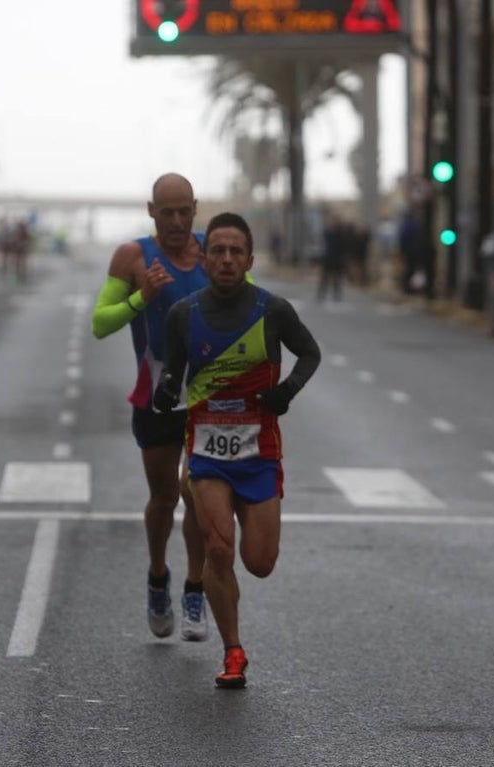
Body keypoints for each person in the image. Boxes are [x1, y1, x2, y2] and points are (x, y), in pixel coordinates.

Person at [154, 211, 321, 689]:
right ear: (205, 260)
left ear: (249, 259)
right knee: (219, 548)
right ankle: (233, 651)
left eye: (235, 252)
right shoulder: (183, 314)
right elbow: (172, 372)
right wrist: (166, 392)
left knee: (260, 562)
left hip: (259, 453)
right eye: (218, 252)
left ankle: (226, 605)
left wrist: (286, 391)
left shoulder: (273, 311)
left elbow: (310, 353)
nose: (226, 260)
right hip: (206, 453)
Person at [90, 172, 209, 642]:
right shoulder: (134, 256)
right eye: (167, 212)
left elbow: (250, 307)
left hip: (207, 397)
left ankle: (195, 588)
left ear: (195, 208)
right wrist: (143, 297)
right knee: (163, 499)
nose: (177, 221)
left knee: (196, 492)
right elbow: (100, 323)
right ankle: (158, 575)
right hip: (157, 396)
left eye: (184, 211)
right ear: (150, 210)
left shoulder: (214, 250)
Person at [317, 212, 347, 302]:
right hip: (328, 258)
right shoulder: (328, 232)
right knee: (324, 277)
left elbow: (343, 245)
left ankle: (336, 293)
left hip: (337, 259)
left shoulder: (341, 233)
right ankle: (321, 293)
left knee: (336, 278)